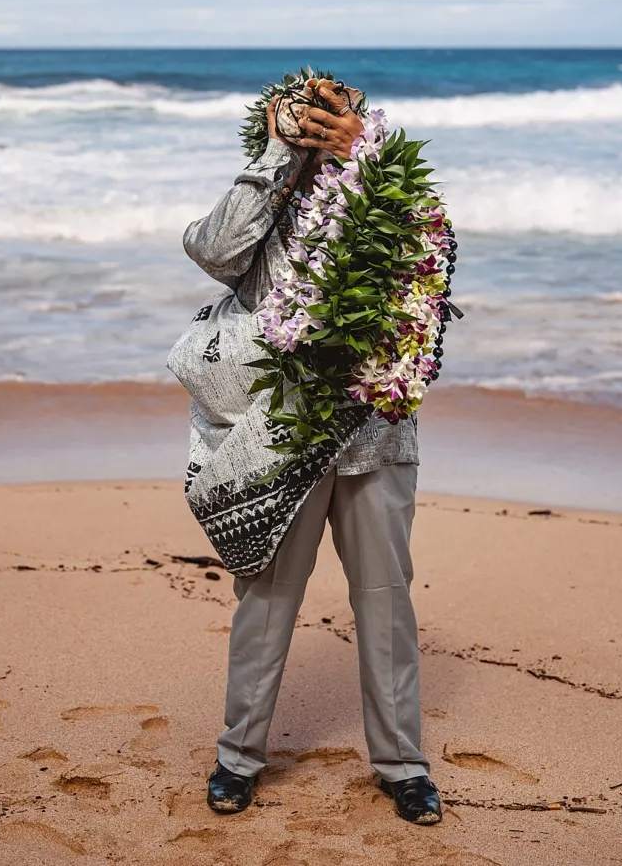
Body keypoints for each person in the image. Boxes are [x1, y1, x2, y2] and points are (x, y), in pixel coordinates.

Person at [182, 80, 442, 826]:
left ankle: (403, 765)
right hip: (281, 438)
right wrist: (274, 153)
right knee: (265, 602)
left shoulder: (389, 197)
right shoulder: (268, 196)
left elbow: (432, 252)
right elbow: (214, 249)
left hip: (376, 436)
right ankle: (239, 757)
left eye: (334, 115)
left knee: (387, 603)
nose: (318, 125)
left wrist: (368, 158)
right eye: (306, 114)